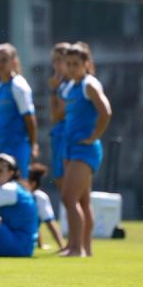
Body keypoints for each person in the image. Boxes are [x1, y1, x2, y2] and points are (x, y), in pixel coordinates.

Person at [61, 43, 112, 257]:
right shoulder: (70, 86)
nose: (72, 68)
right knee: (82, 201)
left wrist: (94, 137)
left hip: (85, 150)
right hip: (71, 148)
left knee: (68, 197)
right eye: (69, 64)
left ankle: (77, 248)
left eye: (76, 64)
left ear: (86, 64)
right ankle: (84, 247)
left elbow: (106, 112)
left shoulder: (89, 84)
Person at [0, 43, 37, 183]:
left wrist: (32, 144)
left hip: (17, 145)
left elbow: (29, 118)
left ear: (14, 61)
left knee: (18, 186)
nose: (0, 64)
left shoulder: (19, 86)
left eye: (4, 60)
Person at [48, 42, 71, 191]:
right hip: (59, 133)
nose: (56, 65)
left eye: (59, 60)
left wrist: (54, 89)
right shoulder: (59, 85)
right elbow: (54, 116)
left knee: (69, 180)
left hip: (69, 134)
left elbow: (60, 113)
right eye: (54, 61)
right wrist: (53, 90)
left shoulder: (75, 84)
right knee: (59, 178)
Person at [28, 163, 66, 251]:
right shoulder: (16, 195)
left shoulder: (39, 197)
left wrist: (62, 246)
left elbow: (49, 222)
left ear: (32, 184)